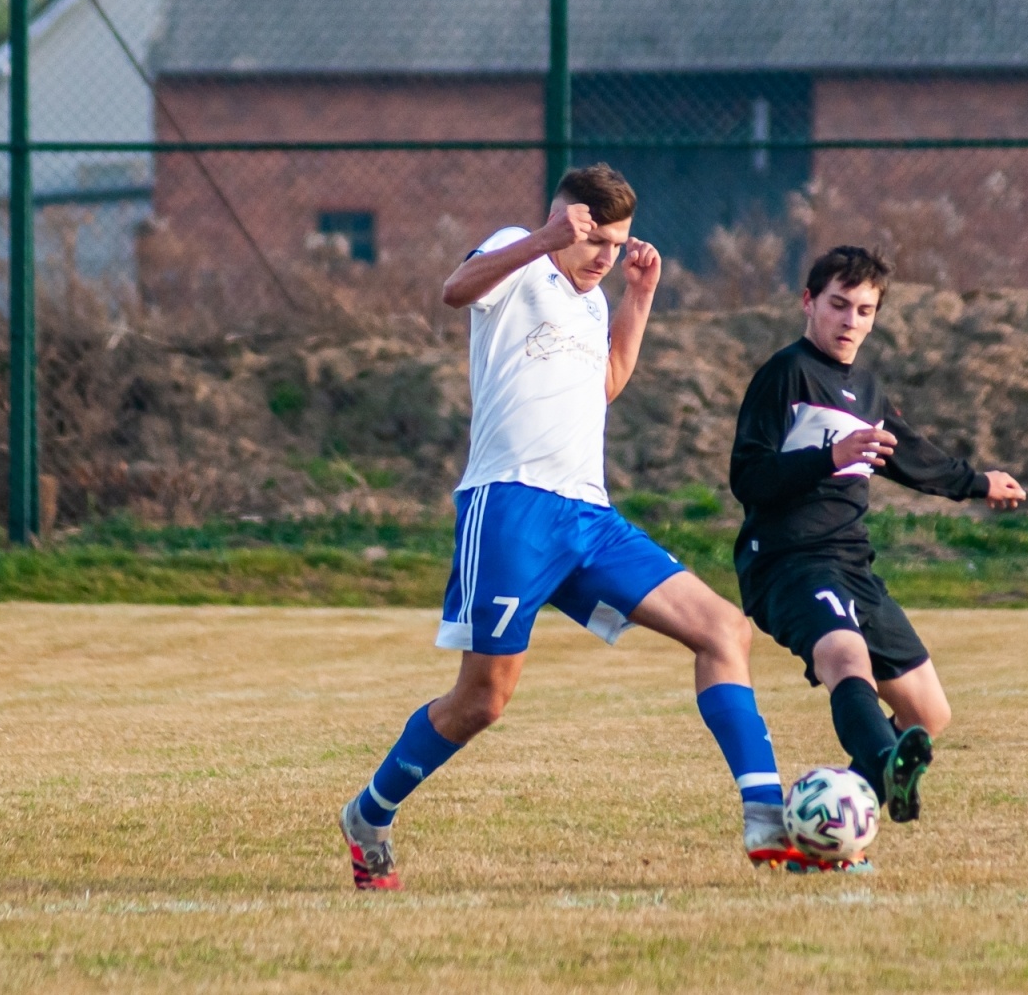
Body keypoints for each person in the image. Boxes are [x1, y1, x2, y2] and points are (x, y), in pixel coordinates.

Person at [340, 164, 808, 890]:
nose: (604, 257)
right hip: (510, 509)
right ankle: (369, 815)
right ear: (564, 221)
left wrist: (638, 298)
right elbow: (454, 290)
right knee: (482, 702)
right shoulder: (517, 255)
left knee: (724, 630)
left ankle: (766, 817)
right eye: (594, 240)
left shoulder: (594, 302)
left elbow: (607, 382)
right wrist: (542, 240)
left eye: (617, 245)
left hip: (589, 515)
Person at [729, 246, 1026, 863]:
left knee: (928, 714)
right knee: (846, 656)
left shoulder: (865, 387)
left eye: (864, 310)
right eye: (838, 305)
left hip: (852, 564)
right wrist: (828, 457)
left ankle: (825, 832)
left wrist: (978, 483)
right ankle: (880, 769)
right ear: (809, 302)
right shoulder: (785, 375)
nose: (850, 320)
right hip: (787, 560)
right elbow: (748, 478)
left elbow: (907, 452)